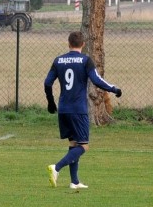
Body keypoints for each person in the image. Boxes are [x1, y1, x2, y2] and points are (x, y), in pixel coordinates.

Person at [44, 31, 122, 189]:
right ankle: (56, 168)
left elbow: (47, 83)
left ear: (68, 43)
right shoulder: (85, 60)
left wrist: (51, 102)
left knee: (74, 144)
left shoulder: (58, 60)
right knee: (84, 146)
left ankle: (74, 181)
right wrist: (114, 89)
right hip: (78, 110)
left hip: (64, 109)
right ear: (83, 44)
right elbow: (96, 80)